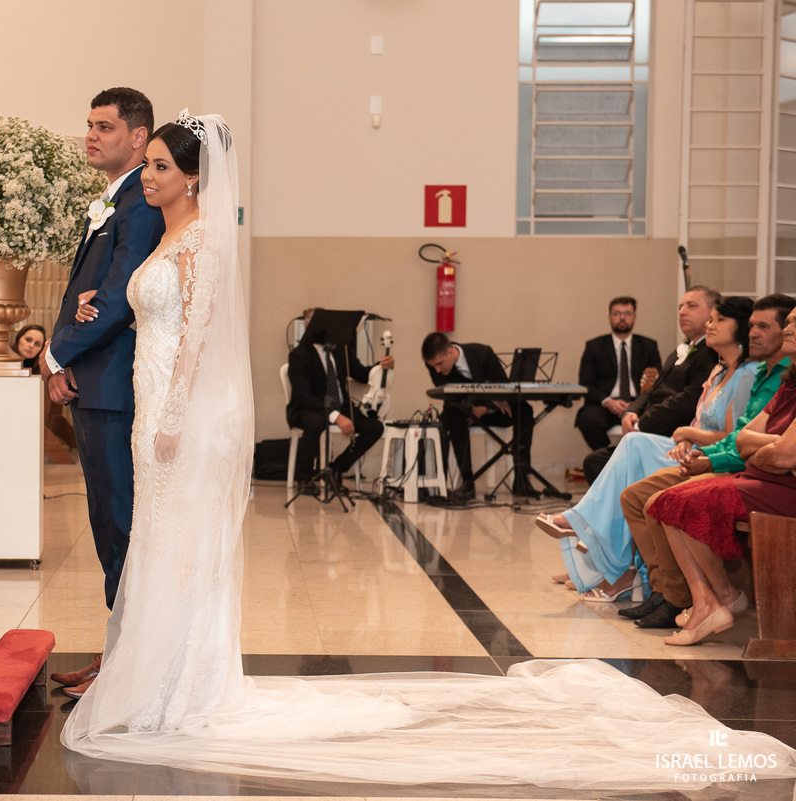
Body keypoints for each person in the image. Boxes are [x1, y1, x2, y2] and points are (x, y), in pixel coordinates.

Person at [57, 110, 796, 790]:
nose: (147, 177)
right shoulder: (156, 236)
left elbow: (193, 339)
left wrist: (176, 412)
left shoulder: (202, 239)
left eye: (158, 166)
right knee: (159, 543)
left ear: (192, 175)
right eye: (146, 165)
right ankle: (162, 677)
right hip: (152, 401)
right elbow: (144, 310)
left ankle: (181, 685)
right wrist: (98, 311)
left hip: (178, 412)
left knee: (180, 543)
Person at [40, 88, 166, 696]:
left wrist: (59, 350)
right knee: (107, 524)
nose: (92, 135)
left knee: (119, 524)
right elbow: (90, 295)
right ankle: (119, 651)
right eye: (88, 124)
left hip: (115, 386)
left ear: (138, 137)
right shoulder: (115, 200)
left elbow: (116, 300)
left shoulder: (141, 203)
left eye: (106, 127)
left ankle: (128, 667)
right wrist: (67, 355)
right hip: (96, 381)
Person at [535, 297, 757, 601]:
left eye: (713, 317)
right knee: (622, 451)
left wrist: (685, 435)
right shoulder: (717, 370)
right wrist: (680, 437)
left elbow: (729, 433)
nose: (705, 323)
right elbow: (658, 394)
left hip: (709, 454)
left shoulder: (738, 371)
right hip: (687, 444)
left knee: (632, 450)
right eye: (681, 305)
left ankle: (600, 553)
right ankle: (601, 560)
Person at [617, 294, 795, 628]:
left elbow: (780, 451)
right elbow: (742, 438)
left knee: (662, 497)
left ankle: (697, 596)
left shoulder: (759, 373)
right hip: (740, 466)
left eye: (765, 326)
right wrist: (744, 449)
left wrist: (713, 453)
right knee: (635, 493)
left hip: (758, 476)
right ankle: (667, 592)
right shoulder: (774, 377)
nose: (755, 332)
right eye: (753, 325)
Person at [581, 286, 720, 483]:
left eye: (691, 306)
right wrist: (630, 412)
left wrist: (642, 424)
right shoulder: (679, 351)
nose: (682, 311)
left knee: (596, 463)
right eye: (680, 307)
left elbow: (689, 400)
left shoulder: (711, 353)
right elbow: (654, 389)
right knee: (591, 434)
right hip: (636, 416)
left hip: (667, 432)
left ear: (713, 313)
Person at [421, 334, 534, 499]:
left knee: (524, 411)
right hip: (463, 413)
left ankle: (522, 480)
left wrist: (485, 407)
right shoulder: (434, 366)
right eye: (433, 366)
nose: (437, 370)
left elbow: (502, 384)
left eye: (439, 364)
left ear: (450, 352)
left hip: (491, 412)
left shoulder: (483, 353)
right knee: (453, 413)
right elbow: (449, 394)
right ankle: (467, 482)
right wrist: (473, 408)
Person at [286, 320, 394, 483]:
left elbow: (362, 374)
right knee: (315, 422)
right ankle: (304, 477)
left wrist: (382, 367)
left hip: (340, 405)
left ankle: (335, 469)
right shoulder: (300, 355)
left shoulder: (341, 349)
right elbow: (303, 396)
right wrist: (335, 416)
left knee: (375, 427)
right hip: (309, 408)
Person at [575, 297, 662, 450]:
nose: (622, 318)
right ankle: (610, 459)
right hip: (606, 406)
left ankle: (638, 460)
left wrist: (636, 404)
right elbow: (585, 384)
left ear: (634, 317)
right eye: (617, 313)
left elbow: (658, 382)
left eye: (627, 313)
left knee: (661, 417)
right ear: (609, 317)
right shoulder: (594, 346)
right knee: (587, 419)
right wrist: (608, 402)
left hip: (640, 404)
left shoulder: (649, 346)